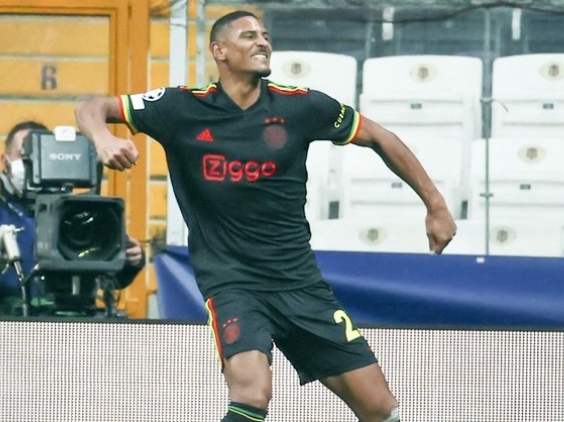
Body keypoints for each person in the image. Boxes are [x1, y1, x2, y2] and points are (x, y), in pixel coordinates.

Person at [75, 10, 456, 422]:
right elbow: (91, 106)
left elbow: (380, 136)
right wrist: (102, 137)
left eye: (265, 35)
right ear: (219, 51)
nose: (262, 42)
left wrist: (436, 206)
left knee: (381, 410)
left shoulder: (301, 106)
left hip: (299, 283)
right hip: (232, 283)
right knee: (252, 393)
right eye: (248, 35)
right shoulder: (181, 107)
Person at [0, 120, 146, 316]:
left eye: (37, 155)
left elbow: (110, 277)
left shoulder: (82, 214)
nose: (31, 163)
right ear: (5, 162)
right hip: (2, 325)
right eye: (24, 155)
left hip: (71, 325)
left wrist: (131, 260)